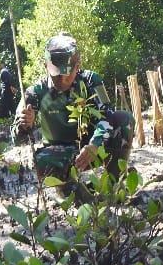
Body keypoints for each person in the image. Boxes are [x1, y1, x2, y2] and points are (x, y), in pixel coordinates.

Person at [12, 34, 134, 196]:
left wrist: (95, 144)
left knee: (124, 119)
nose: (62, 80)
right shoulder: (34, 92)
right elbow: (15, 138)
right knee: (41, 160)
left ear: (78, 67)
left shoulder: (91, 80)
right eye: (56, 75)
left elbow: (107, 115)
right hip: (60, 154)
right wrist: (24, 124)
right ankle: (68, 190)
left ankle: (114, 185)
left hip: (92, 148)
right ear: (45, 67)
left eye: (67, 73)